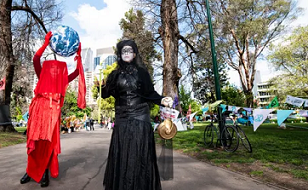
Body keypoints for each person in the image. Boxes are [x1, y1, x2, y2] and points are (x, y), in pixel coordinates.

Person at [96, 40, 173, 190]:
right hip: (122, 119)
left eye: (129, 51)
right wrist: (101, 87)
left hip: (140, 117)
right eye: (123, 51)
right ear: (120, 54)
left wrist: (162, 99)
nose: (126, 53)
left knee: (140, 154)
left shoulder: (142, 73)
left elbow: (150, 93)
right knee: (123, 154)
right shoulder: (114, 75)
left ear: (134, 54)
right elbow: (106, 94)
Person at [20, 31, 86, 187]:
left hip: (53, 111)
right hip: (38, 109)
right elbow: (36, 58)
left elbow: (77, 72)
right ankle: (30, 171)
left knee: (48, 143)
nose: (54, 72)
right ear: (47, 69)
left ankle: (44, 172)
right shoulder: (41, 72)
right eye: (52, 69)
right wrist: (45, 43)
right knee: (34, 142)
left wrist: (79, 56)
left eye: (58, 70)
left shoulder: (62, 79)